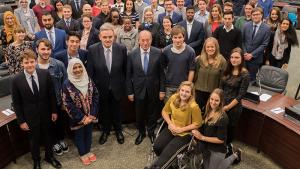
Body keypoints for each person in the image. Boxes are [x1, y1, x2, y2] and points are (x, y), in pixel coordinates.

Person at [11, 49, 62, 169]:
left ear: (35, 61)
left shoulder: (44, 74)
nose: (29, 65)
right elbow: (16, 103)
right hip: (30, 116)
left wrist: (54, 111)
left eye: (32, 62)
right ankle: (36, 160)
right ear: (22, 63)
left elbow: (51, 95)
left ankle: (49, 156)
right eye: (26, 62)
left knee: (48, 136)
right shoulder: (16, 80)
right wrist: (21, 121)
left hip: (46, 113)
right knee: (34, 140)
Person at [87, 23, 127, 145]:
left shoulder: (121, 48)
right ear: (100, 37)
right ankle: (105, 131)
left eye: (110, 37)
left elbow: (125, 70)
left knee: (117, 111)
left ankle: (119, 130)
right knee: (104, 111)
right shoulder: (93, 49)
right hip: (100, 88)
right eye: (105, 37)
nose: (108, 39)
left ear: (114, 36)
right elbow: (90, 72)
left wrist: (123, 86)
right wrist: (93, 90)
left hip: (117, 87)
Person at [148, 81, 202, 169]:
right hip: (172, 128)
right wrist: (170, 123)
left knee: (165, 156)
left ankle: (158, 166)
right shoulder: (173, 98)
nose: (184, 93)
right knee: (157, 147)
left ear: (191, 94)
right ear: (179, 90)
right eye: (182, 90)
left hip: (184, 134)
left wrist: (181, 129)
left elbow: (198, 123)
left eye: (187, 92)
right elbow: (164, 111)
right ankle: (169, 164)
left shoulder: (193, 106)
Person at [126, 30, 165, 145]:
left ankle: (151, 132)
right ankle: (141, 132)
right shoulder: (132, 54)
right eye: (142, 40)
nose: (145, 43)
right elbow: (128, 75)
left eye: (147, 40)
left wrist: (162, 90)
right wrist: (130, 92)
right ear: (139, 41)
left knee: (152, 112)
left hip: (154, 89)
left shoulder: (158, 53)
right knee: (139, 113)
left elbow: (162, 73)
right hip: (138, 90)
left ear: (151, 40)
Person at [192, 88, 242, 169]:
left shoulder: (223, 117)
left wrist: (201, 137)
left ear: (221, 102)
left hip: (217, 150)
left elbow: (220, 139)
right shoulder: (207, 109)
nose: (213, 102)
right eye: (211, 99)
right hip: (206, 146)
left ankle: (235, 155)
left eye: (216, 100)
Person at [35, 38, 69, 156]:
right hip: (42, 105)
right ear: (37, 50)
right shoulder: (32, 67)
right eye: (43, 49)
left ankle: (60, 140)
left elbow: (65, 85)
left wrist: (65, 102)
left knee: (60, 124)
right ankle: (53, 142)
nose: (45, 52)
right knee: (47, 126)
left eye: (48, 49)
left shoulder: (58, 65)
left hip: (58, 102)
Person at [62, 58, 99, 165]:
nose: (78, 70)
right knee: (79, 136)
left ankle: (88, 151)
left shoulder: (88, 79)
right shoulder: (67, 84)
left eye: (79, 67)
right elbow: (67, 104)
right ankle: (82, 153)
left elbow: (96, 95)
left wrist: (92, 114)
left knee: (88, 134)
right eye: (74, 68)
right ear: (70, 69)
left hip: (90, 115)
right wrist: (83, 118)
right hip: (77, 118)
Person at [221, 47, 250, 157]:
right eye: (232, 57)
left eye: (237, 57)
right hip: (222, 104)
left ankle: (228, 149)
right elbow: (221, 88)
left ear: (242, 58)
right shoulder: (227, 70)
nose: (234, 59)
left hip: (233, 108)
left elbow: (240, 96)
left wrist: (227, 107)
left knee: (229, 130)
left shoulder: (245, 75)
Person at [162, 25, 196, 101]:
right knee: (169, 109)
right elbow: (163, 68)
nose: (177, 40)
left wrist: (188, 85)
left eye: (180, 37)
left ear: (184, 37)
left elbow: (192, 70)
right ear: (172, 38)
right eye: (175, 37)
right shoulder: (166, 51)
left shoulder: (190, 51)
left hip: (183, 87)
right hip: (169, 86)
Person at [194, 37, 227, 110]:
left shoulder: (222, 61)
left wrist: (219, 94)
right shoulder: (199, 59)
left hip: (213, 95)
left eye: (212, 47)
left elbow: (222, 80)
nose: (210, 49)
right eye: (208, 47)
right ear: (205, 48)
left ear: (216, 47)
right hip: (198, 92)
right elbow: (194, 75)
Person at [242, 7, 270, 80]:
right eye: (253, 15)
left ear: (261, 15)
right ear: (251, 16)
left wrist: (252, 55)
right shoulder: (246, 26)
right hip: (244, 57)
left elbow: (264, 44)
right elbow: (242, 41)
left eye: (257, 14)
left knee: (252, 79)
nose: (255, 16)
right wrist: (245, 53)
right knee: (241, 77)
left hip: (255, 59)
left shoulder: (266, 28)